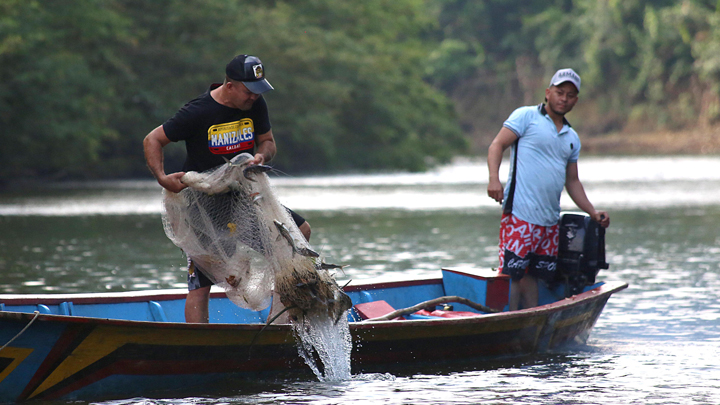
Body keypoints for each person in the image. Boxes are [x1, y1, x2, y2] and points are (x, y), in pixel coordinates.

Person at [144, 54, 311, 323]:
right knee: (203, 277)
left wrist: (261, 156)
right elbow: (153, 139)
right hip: (201, 203)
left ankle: (279, 323)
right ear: (230, 85)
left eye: (258, 91)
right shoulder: (197, 112)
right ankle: (199, 345)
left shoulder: (255, 104)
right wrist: (163, 178)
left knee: (298, 233)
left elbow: (267, 141)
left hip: (244, 198)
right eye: (248, 91)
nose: (253, 97)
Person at [486, 68, 610, 311]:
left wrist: (593, 212)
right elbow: (497, 145)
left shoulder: (571, 136)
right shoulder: (526, 117)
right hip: (520, 215)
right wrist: (494, 179)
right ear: (548, 93)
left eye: (570, 95)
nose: (564, 98)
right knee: (512, 273)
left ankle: (532, 324)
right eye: (559, 92)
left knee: (533, 274)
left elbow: (572, 181)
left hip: (549, 221)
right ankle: (508, 322)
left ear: (576, 100)